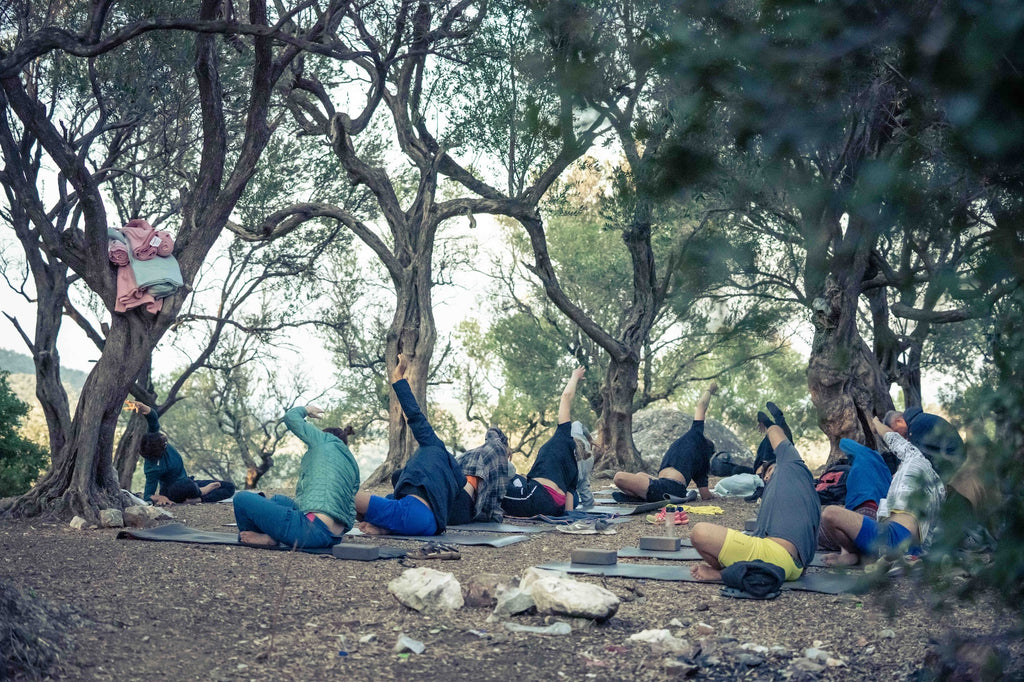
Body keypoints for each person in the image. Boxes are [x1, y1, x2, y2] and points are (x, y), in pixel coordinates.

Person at [690, 424, 820, 582]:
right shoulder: (806, 494)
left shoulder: (790, 466)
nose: (765, 478)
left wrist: (769, 425)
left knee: (700, 533)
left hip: (776, 557)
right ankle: (741, 571)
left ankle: (724, 574)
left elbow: (778, 436)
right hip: (794, 568)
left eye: (768, 471)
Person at [354, 354, 466, 535]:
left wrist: (398, 379)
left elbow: (415, 415)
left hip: (412, 513)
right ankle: (385, 529)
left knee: (345, 497)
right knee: (383, 512)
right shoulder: (452, 481)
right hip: (430, 527)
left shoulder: (433, 445)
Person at [819, 416, 945, 566]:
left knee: (830, 514)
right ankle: (898, 558)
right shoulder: (939, 487)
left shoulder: (914, 457)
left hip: (893, 536)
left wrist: (876, 423)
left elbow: (891, 437)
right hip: (914, 547)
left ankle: (854, 554)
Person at [232, 404, 360, 549]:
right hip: (334, 537)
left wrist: (306, 410)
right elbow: (350, 510)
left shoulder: (325, 440)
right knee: (278, 500)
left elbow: (291, 417)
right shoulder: (352, 465)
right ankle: (273, 534)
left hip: (310, 530)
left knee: (241, 499)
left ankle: (266, 539)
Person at [501, 367, 587, 517]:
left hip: (537, 496)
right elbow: (569, 505)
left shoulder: (563, 438)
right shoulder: (574, 468)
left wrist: (574, 376)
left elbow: (566, 397)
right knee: (518, 479)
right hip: (554, 506)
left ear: (573, 440)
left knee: (497, 490)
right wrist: (568, 521)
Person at [612, 381, 718, 503]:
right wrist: (711, 496)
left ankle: (641, 496)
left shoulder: (696, 436)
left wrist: (709, 390)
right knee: (641, 475)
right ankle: (641, 496)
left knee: (619, 477)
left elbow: (701, 405)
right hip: (666, 486)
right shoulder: (700, 464)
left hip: (670, 488)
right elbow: (705, 495)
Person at [127, 400, 235, 506]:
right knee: (186, 485)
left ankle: (199, 499)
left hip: (188, 482)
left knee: (229, 487)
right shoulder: (152, 468)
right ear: (160, 450)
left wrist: (142, 407)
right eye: (164, 442)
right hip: (173, 490)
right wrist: (160, 497)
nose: (164, 438)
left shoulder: (153, 437)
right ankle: (201, 491)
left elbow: (153, 418)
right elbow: (148, 496)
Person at [817, 438, 892, 551]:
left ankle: (850, 553)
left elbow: (844, 442)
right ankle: (851, 553)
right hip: (876, 520)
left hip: (863, 513)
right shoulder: (888, 478)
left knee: (817, 529)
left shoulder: (866, 456)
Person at [883, 407, 966, 480]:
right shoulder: (920, 419)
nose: (899, 436)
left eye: (896, 432)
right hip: (957, 458)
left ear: (899, 421)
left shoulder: (915, 427)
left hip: (954, 467)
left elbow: (919, 459)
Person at [455, 427, 512, 523]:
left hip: (440, 500)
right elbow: (495, 496)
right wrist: (495, 516)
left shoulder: (468, 455)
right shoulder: (498, 450)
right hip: (460, 507)